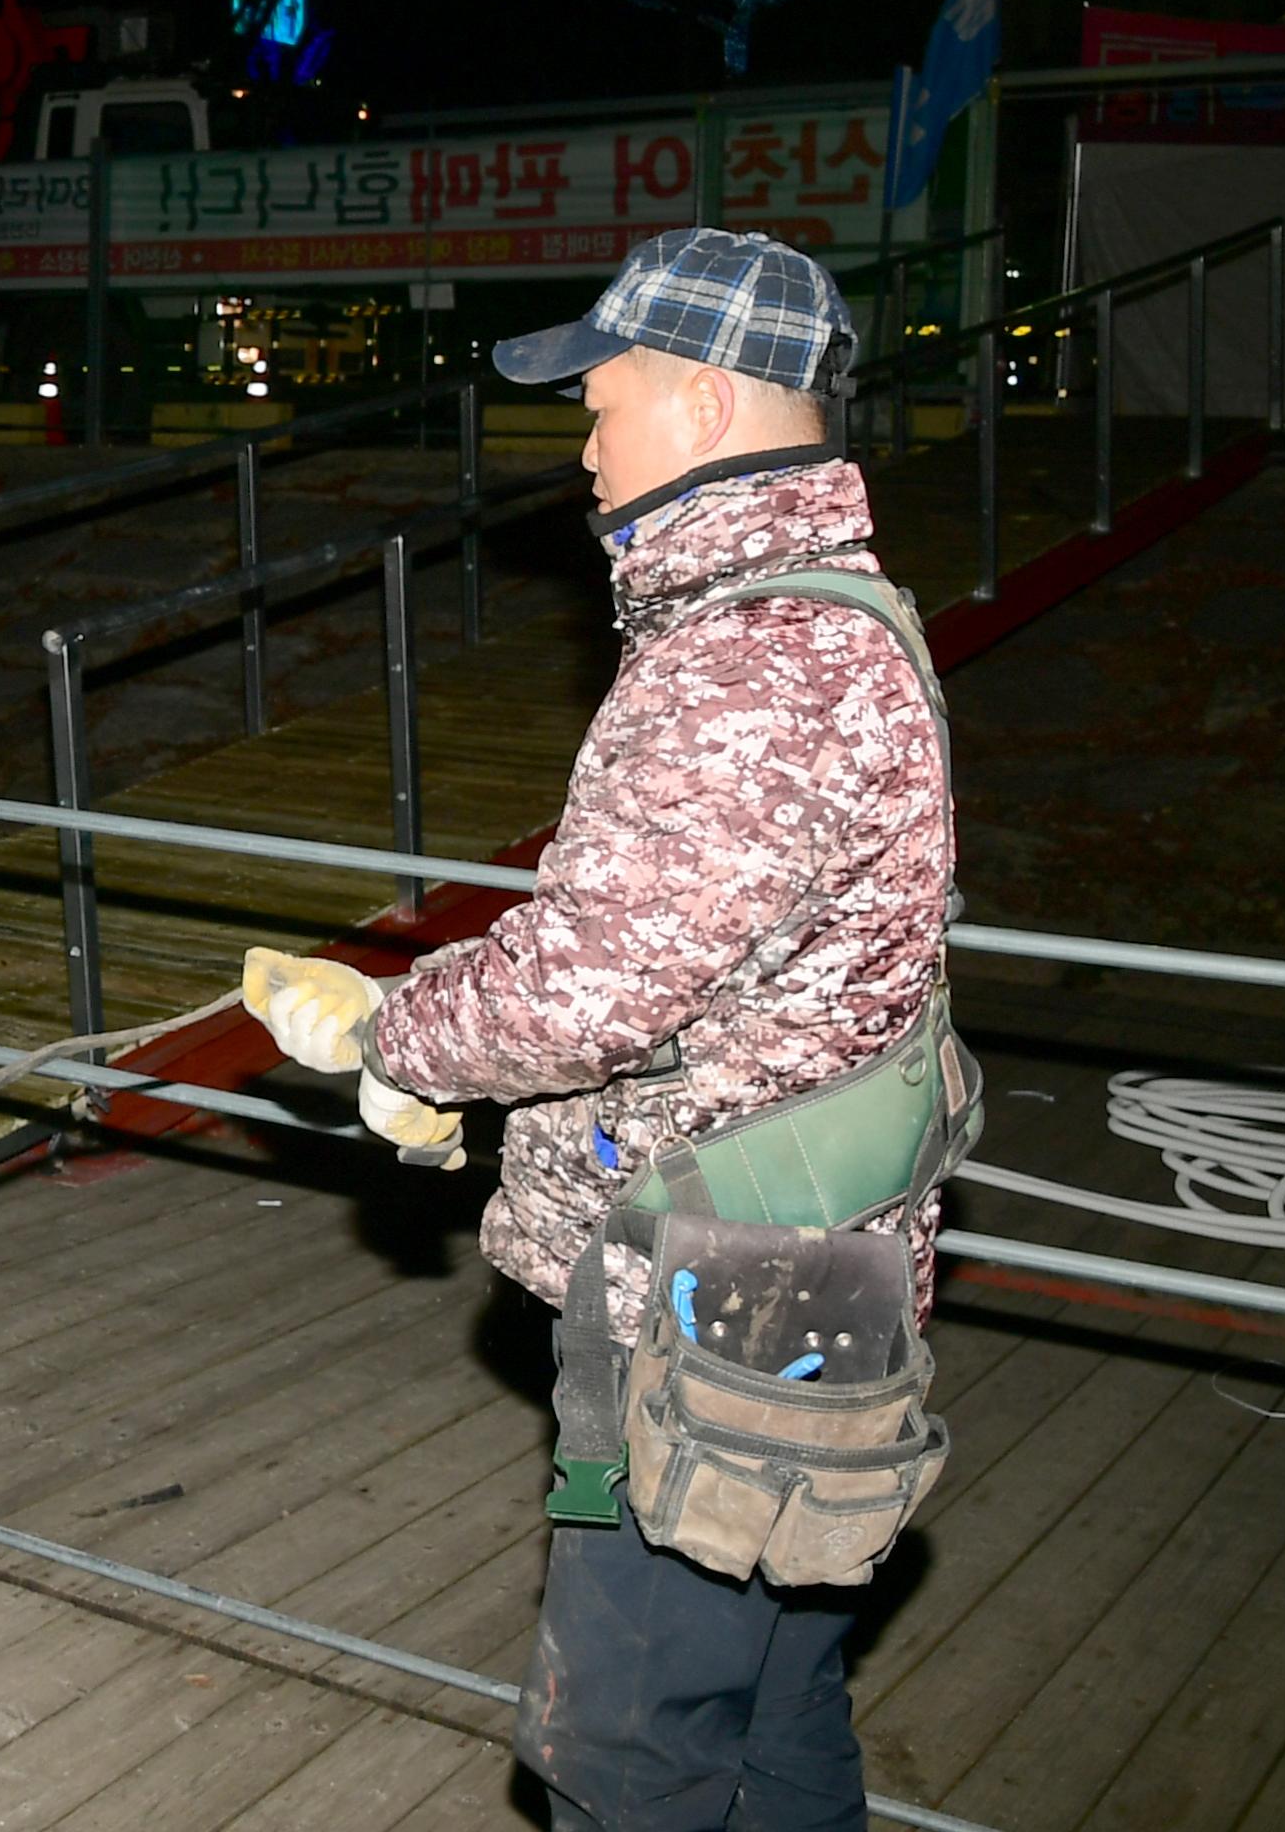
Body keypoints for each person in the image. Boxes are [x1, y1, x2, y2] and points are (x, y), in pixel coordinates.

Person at [237, 228, 968, 1831]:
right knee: (776, 1713)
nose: (581, 439)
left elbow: (596, 984)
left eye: (605, 398)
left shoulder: (751, 663)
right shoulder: (837, 613)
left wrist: (392, 1034)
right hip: (820, 1274)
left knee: (629, 1755)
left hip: (701, 1306)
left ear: (705, 408)